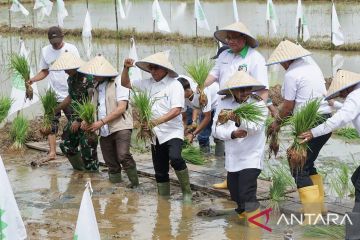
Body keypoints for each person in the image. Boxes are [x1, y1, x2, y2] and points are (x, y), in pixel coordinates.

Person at [266, 39, 333, 222]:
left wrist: (276, 125)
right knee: (307, 163)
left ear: (285, 60)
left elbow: (288, 107)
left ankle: (313, 215)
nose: (281, 66)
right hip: (325, 120)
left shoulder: (292, 74)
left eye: (281, 63)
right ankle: (319, 209)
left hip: (310, 124)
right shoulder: (312, 66)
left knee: (297, 166)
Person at [203, 22, 272, 189]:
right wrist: (200, 86)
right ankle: (231, 179)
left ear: (244, 38)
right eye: (228, 38)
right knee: (229, 139)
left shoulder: (255, 58)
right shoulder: (224, 55)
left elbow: (263, 89)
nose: (230, 41)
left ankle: (243, 181)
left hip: (247, 104)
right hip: (227, 101)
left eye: (234, 37)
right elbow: (213, 74)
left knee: (247, 142)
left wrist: (256, 111)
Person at [121, 51, 192, 202]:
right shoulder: (147, 84)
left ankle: (187, 191)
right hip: (155, 134)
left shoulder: (175, 85)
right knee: (160, 171)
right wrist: (126, 68)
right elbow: (125, 83)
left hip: (173, 131)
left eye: (155, 68)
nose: (152, 71)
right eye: (150, 68)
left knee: (176, 158)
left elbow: (176, 110)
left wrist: (154, 122)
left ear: (165, 69)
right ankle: (163, 201)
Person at [298, 69, 360, 236]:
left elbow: (341, 118)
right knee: (356, 179)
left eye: (340, 93)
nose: (340, 95)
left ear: (347, 88)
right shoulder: (357, 95)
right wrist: (336, 104)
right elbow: (351, 110)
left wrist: (313, 132)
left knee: (359, 183)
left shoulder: (355, 96)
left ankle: (354, 234)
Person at [212, 70, 268, 226]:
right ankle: (242, 228)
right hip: (233, 157)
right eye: (240, 89)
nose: (244, 92)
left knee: (247, 193)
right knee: (236, 194)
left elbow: (255, 127)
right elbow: (215, 130)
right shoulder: (224, 103)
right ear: (233, 90)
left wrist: (238, 119)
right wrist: (233, 133)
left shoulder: (258, 104)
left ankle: (255, 231)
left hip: (252, 156)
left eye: (247, 89)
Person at [78, 55, 139, 187]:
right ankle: (116, 188)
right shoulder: (95, 87)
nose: (93, 75)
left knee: (123, 156)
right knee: (110, 161)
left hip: (120, 126)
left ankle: (135, 184)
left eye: (95, 73)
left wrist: (101, 122)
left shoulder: (119, 82)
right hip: (104, 129)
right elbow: (92, 106)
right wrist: (85, 120)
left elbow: (122, 108)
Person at [29, 26, 79, 161]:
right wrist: (33, 79)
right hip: (53, 94)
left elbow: (78, 69)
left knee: (75, 122)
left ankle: (76, 149)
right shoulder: (45, 51)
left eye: (58, 41)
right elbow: (45, 71)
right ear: (49, 40)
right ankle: (52, 153)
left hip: (69, 94)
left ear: (63, 37)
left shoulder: (72, 49)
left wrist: (78, 90)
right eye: (53, 42)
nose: (56, 44)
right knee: (51, 123)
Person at [50, 51, 99, 171]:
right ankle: (81, 170)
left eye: (67, 68)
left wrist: (80, 119)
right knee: (66, 144)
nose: (65, 71)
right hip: (75, 117)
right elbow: (71, 97)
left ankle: (92, 173)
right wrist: (57, 109)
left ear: (74, 66)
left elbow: (92, 100)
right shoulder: (70, 80)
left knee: (87, 146)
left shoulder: (88, 78)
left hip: (87, 118)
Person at [177, 75, 219, 154]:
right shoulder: (181, 97)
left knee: (218, 133)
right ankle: (205, 157)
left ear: (187, 90)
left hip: (217, 102)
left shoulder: (201, 92)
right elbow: (184, 118)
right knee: (203, 136)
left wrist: (192, 134)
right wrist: (182, 134)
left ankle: (221, 157)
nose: (177, 95)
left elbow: (207, 117)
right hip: (203, 108)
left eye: (179, 92)